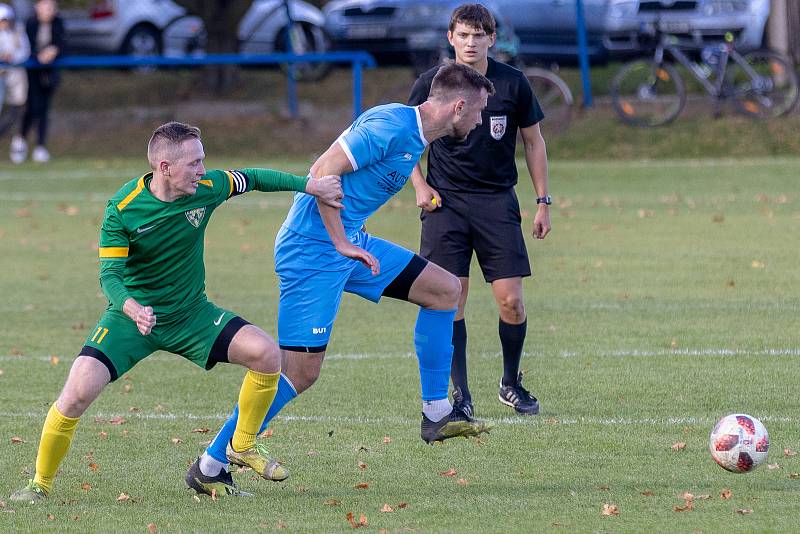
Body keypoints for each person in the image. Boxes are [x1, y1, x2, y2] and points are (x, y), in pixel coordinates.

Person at [188, 63, 495, 494]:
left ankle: (437, 413)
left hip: (348, 245)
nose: (480, 120)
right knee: (300, 372)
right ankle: (212, 462)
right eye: (479, 111)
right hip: (312, 251)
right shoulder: (390, 125)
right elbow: (322, 170)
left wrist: (349, 239)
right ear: (459, 106)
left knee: (446, 290)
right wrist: (339, 241)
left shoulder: (414, 135)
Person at [9, 121, 344, 502]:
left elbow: (252, 177)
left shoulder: (207, 189)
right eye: (194, 163)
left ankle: (242, 445)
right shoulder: (123, 209)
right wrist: (131, 307)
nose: (203, 170)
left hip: (191, 315)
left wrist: (310, 185)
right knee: (76, 393)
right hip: (131, 320)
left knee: (266, 354)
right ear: (164, 167)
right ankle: (39, 485)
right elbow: (110, 275)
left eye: (203, 161)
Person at [408, 4, 552, 417]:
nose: (471, 42)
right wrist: (419, 185)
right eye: (463, 35)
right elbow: (405, 140)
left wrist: (543, 201)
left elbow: (533, 142)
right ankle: (461, 396)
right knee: (450, 299)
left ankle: (510, 383)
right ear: (450, 37)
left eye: (479, 35)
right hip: (445, 205)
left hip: (496, 202)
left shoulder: (513, 84)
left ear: (492, 38)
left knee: (511, 302)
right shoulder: (430, 84)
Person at [10, 0, 64, 164]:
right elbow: (24, 47)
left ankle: (40, 146)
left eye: (52, 7)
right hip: (32, 71)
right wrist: (37, 56)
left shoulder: (58, 23)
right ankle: (20, 141)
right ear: (38, 8)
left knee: (44, 108)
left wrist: (54, 50)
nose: (50, 10)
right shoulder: (30, 23)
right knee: (32, 107)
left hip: (49, 72)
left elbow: (62, 43)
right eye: (46, 7)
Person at [0, 2, 29, 158]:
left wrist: (11, 57)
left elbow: (24, 51)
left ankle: (18, 144)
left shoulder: (18, 30)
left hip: (15, 75)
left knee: (17, 108)